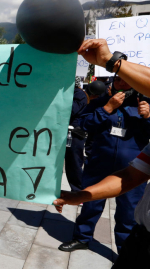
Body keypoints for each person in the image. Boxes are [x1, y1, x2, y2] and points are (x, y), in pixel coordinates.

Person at [54, 39, 150, 268]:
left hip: (133, 167)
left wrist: (147, 117)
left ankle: (123, 248)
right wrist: (107, 109)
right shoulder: (102, 102)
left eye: (127, 80)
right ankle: (82, 238)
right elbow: (82, 125)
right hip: (99, 162)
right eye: (118, 79)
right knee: (90, 202)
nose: (122, 83)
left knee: (127, 212)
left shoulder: (144, 104)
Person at [64, 77, 89, 192]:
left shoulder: (79, 94)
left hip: (74, 134)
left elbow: (72, 110)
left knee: (73, 163)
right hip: (66, 132)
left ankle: (78, 191)